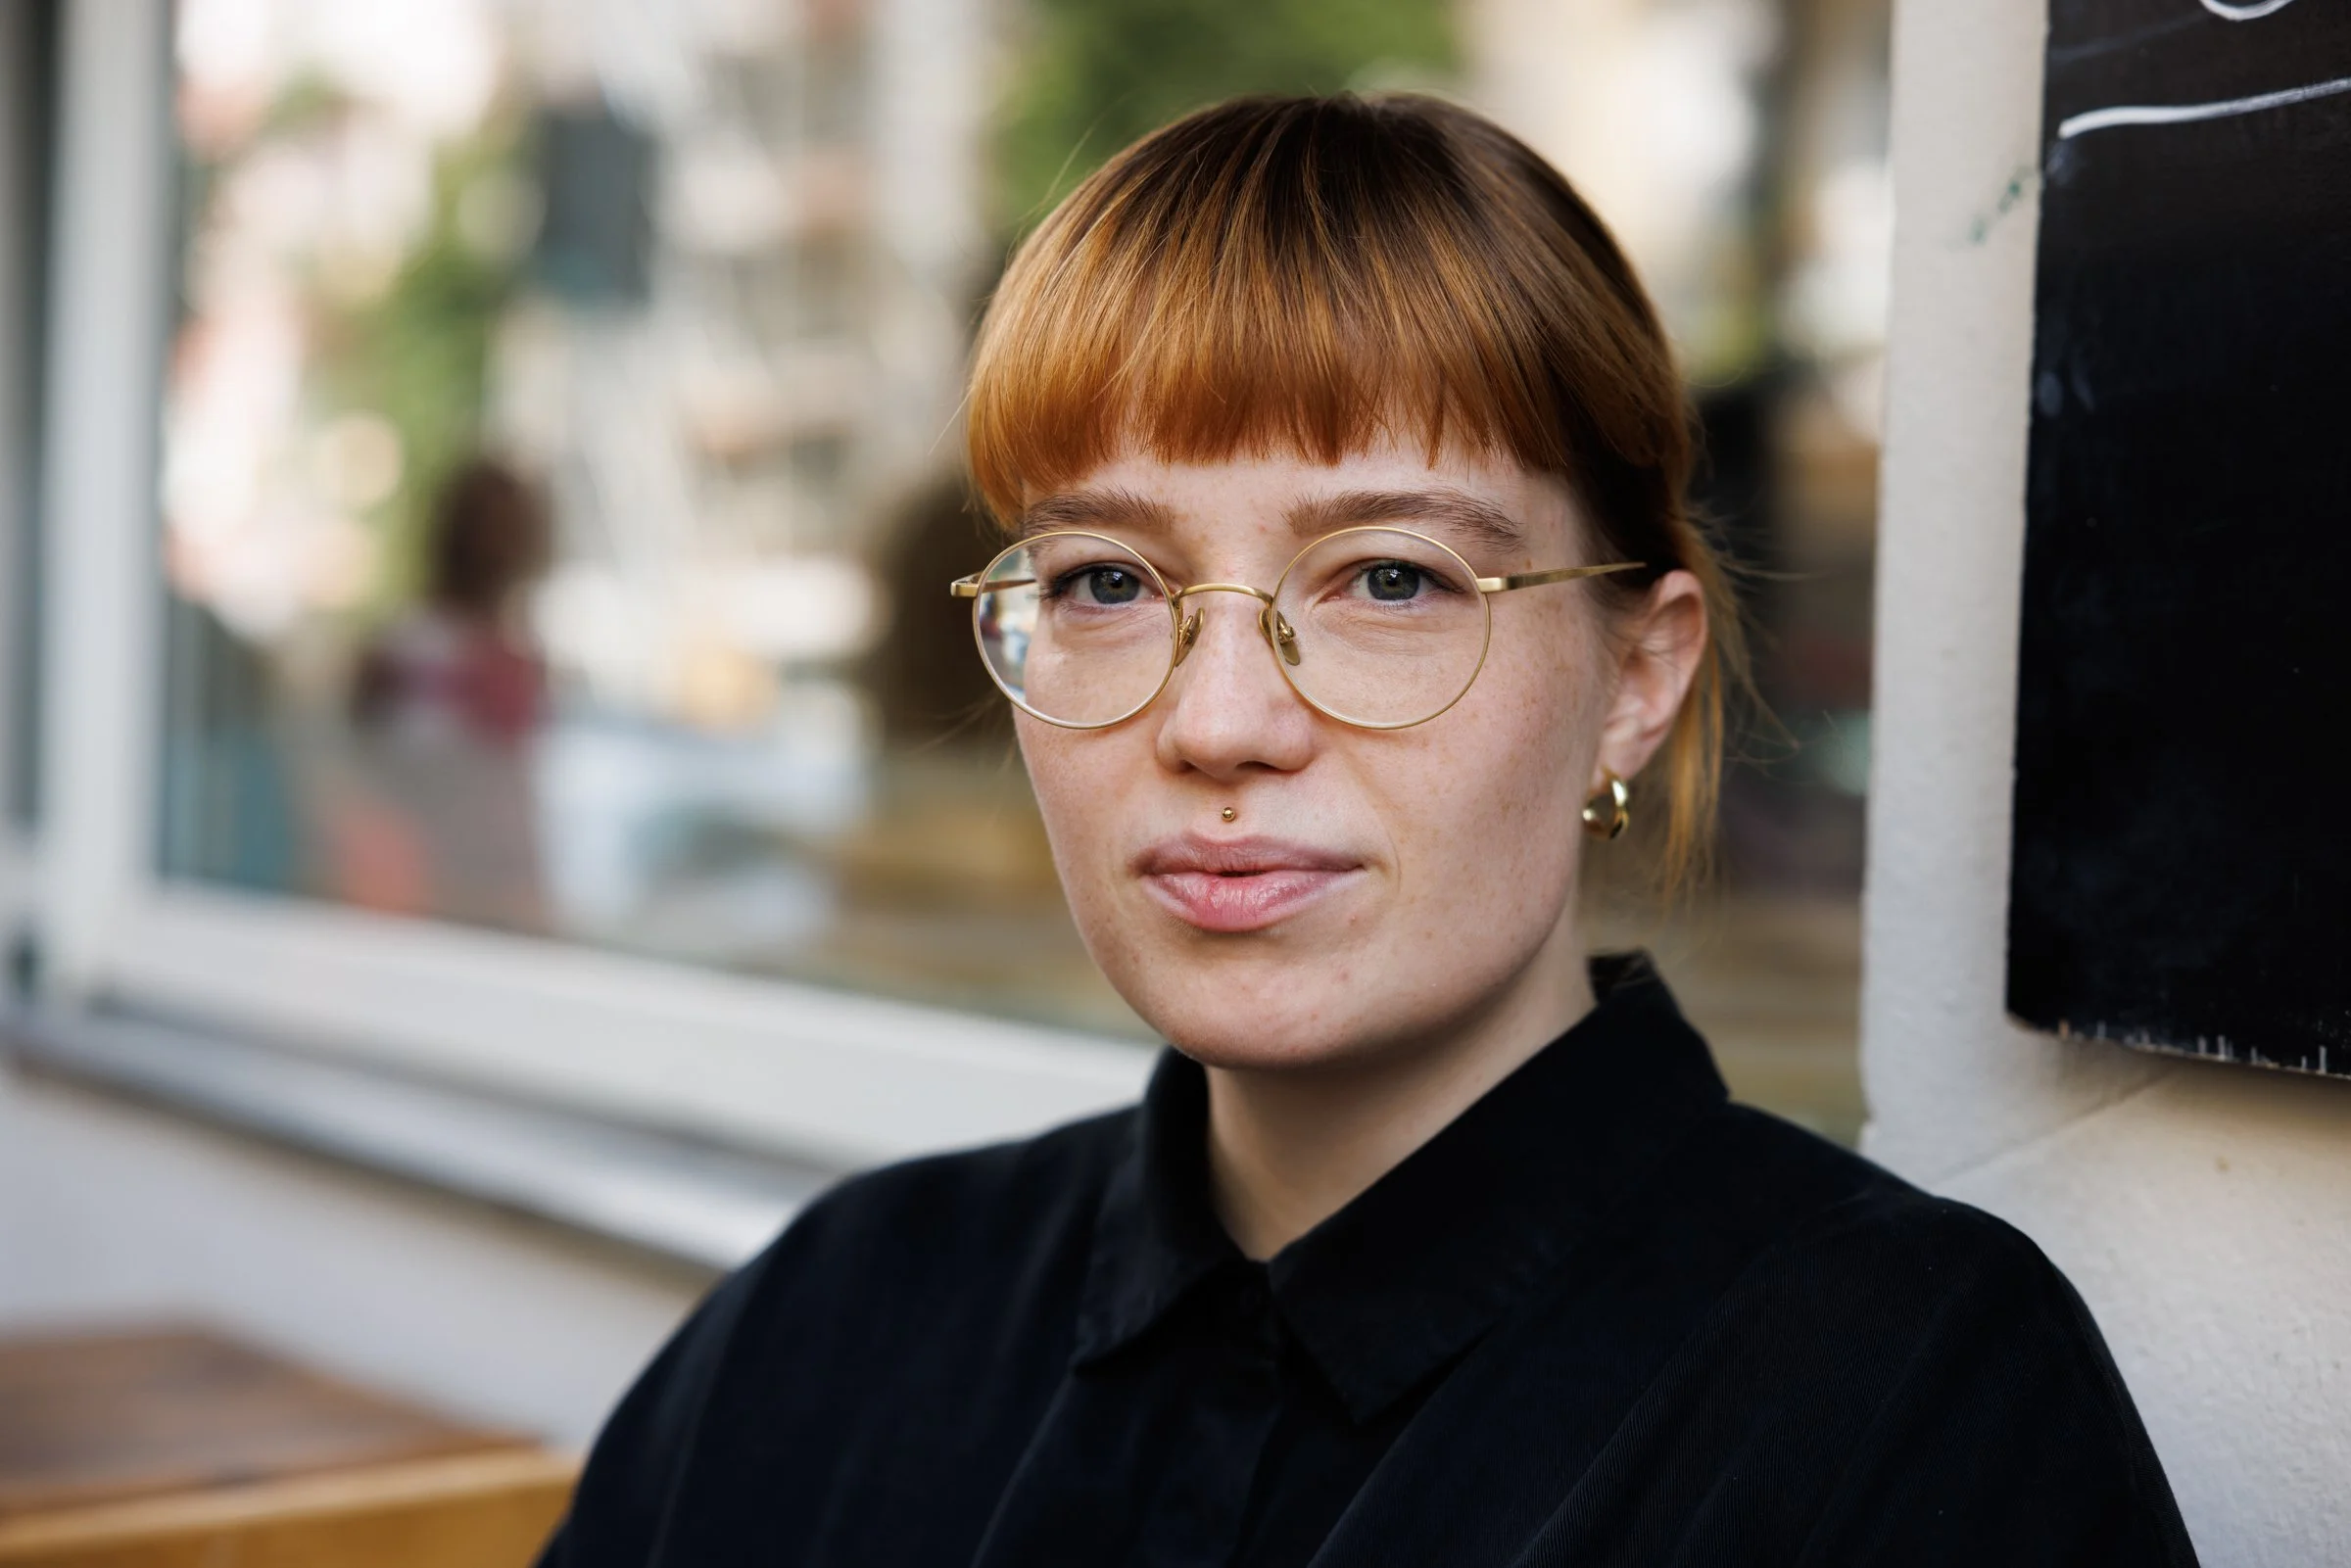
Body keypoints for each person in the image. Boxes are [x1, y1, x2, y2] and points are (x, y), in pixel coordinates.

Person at [538, 95, 2195, 1567]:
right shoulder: (843, 1320)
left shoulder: (1903, 1411)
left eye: (1389, 579)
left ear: (1636, 675)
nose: (1219, 722)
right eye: (1109, 583)